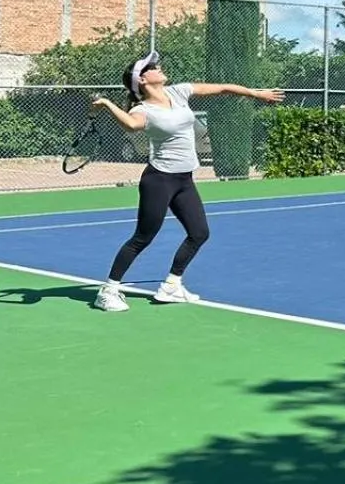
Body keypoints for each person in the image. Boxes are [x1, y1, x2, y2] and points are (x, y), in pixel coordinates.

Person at [88, 51, 283, 312]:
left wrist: (256, 94)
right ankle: (108, 290)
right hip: (159, 180)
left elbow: (223, 88)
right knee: (143, 237)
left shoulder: (178, 92)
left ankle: (171, 285)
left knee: (199, 233)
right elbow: (131, 126)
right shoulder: (142, 109)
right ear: (143, 80)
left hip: (184, 179)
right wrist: (108, 104)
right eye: (152, 67)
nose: (158, 67)